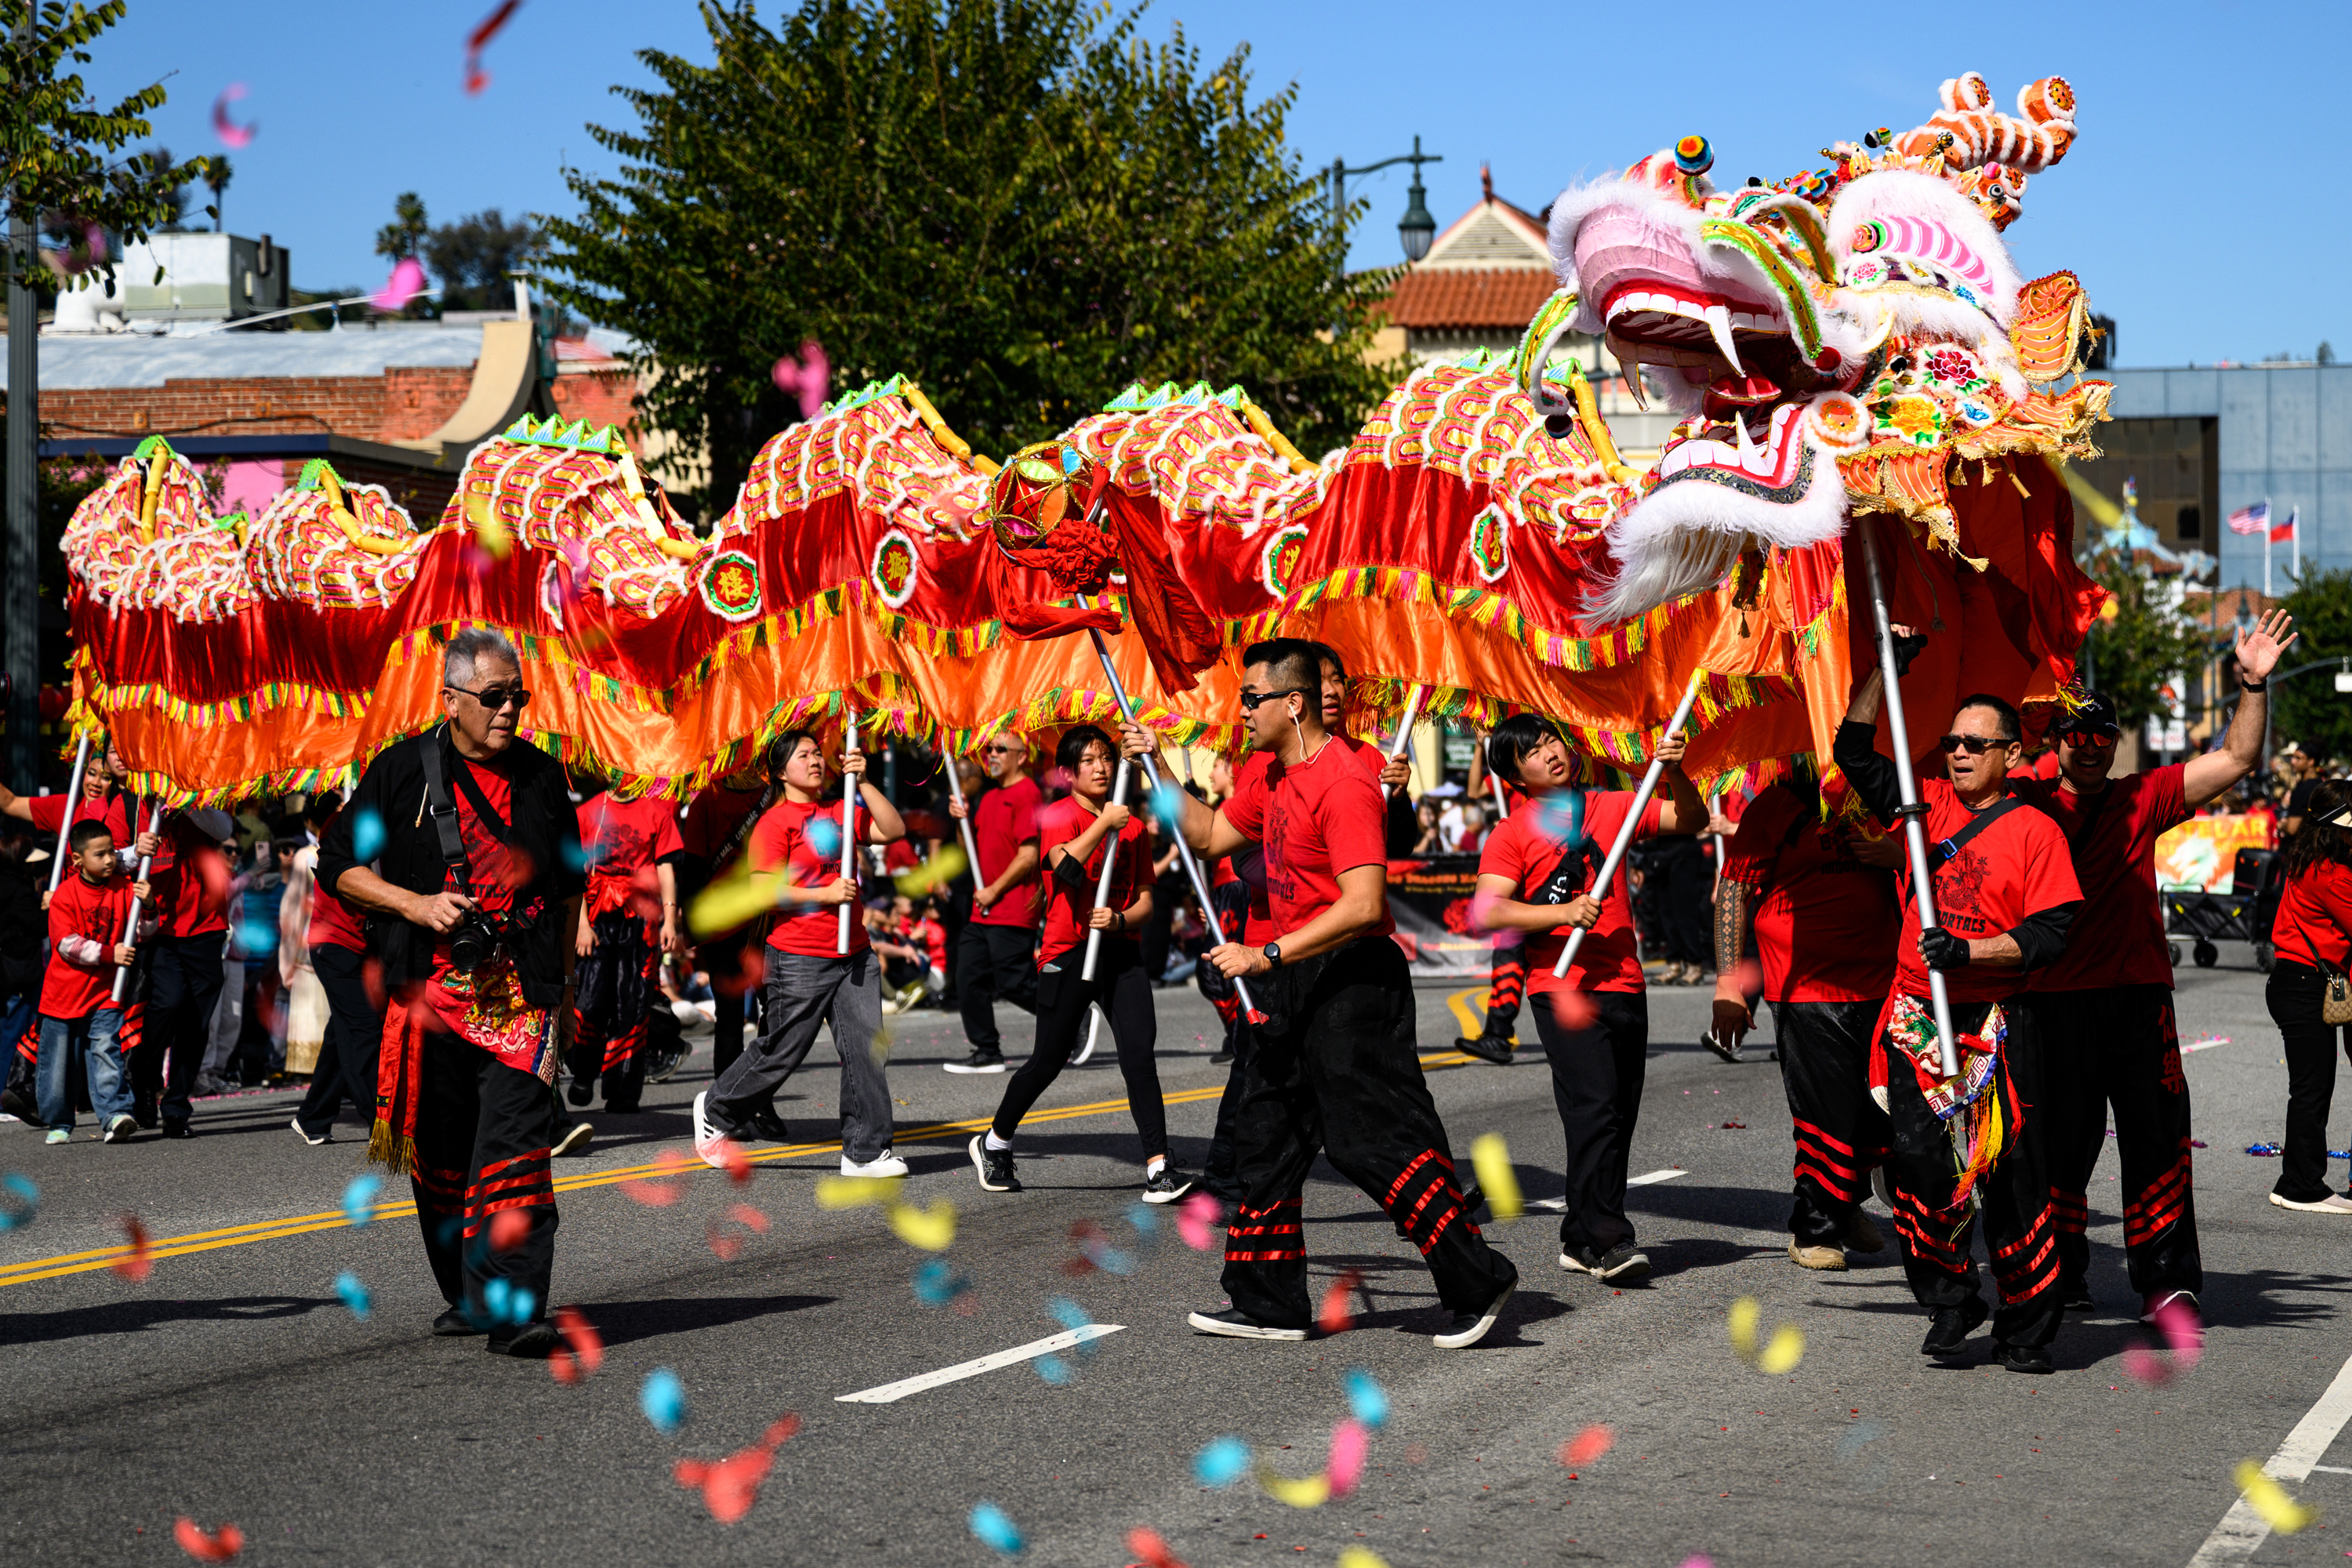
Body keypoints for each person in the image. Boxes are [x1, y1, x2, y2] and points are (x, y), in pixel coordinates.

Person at [1125, 638, 1519, 1348]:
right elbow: (1212, 834)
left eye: (1251, 700)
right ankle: (1270, 1302)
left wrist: (1265, 950)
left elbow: (1364, 905)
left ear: (1292, 703)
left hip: (1351, 977)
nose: (1240, 712)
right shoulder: (1268, 774)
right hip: (1290, 975)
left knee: (1369, 1141)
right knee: (1265, 1134)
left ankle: (1477, 1277)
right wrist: (1154, 763)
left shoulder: (1345, 780)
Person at [2013, 612, 2292, 1317]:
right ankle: (2060, 1274)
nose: (2087, 747)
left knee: (2156, 1141)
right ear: (2056, 743)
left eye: (2100, 736)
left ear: (2112, 745)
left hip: (2139, 1001)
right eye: (2074, 735)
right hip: (2053, 1001)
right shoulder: (2027, 804)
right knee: (2055, 1147)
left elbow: (2234, 760)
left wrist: (2254, 685)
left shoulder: (2144, 796)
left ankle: (2166, 1279)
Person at [318, 628, 586, 1358]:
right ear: (451, 699)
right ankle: (468, 1296)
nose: (509, 710)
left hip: (520, 999)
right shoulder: (401, 770)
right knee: (442, 1162)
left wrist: (560, 993)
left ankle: (516, 1305)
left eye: (517, 697)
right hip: (427, 999)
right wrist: (413, 904)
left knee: (513, 1154)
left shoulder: (543, 775)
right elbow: (337, 864)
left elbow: (567, 893)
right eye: (493, 697)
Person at [1835, 654, 2082, 1374]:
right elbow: (1854, 752)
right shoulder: (1922, 805)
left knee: (2012, 1175)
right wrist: (1885, 670)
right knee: (1920, 1168)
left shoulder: (2038, 832)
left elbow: (2050, 935)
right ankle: (1949, 1300)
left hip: (2001, 1024)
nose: (1961, 754)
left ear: (2012, 753)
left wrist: (1969, 955)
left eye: (1977, 744)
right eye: (1953, 743)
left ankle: (2027, 1324)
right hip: (1920, 1022)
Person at [1471, 713, 1705, 1282]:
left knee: (1616, 1116)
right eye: (1532, 751)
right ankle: (1607, 1240)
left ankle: (1580, 1235)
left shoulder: (1612, 805)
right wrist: (1562, 913)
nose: (1550, 751)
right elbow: (1488, 911)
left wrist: (1674, 772)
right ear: (1514, 774)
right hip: (1563, 986)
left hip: (1624, 979)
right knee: (1596, 1108)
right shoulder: (1513, 833)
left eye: (1552, 739)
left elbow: (1690, 818)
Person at [971, 726, 1192, 1202]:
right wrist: (1102, 826)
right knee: (1048, 1060)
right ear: (1070, 773)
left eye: (1106, 759)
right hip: (1067, 952)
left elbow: (1148, 902)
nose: (1100, 767)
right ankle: (994, 1142)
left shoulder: (1132, 826)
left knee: (1140, 1057)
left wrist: (1119, 919)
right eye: (1089, 761)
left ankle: (1158, 1167)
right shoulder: (1058, 816)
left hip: (1120, 951)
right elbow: (1066, 870)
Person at [691, 728, 909, 1174]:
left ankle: (866, 1151)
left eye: (817, 753)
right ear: (780, 770)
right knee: (782, 1049)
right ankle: (715, 1109)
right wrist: (825, 896)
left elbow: (894, 829)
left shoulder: (841, 808)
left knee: (867, 1049)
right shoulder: (775, 822)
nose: (815, 761)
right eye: (804, 755)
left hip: (854, 952)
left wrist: (865, 781)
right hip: (798, 955)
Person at [1710, 774, 1903, 1269]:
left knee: (1877, 1110)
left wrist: (1898, 852)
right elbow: (1733, 890)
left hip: (1886, 980)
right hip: (1807, 988)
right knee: (1826, 1111)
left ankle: (1846, 1202)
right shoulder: (1778, 804)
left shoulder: (1882, 793)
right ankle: (1814, 1228)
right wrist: (1729, 984)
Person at [2261, 778, 2352, 1214]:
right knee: (2312, 1089)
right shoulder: (2330, 876)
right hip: (2303, 985)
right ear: (2336, 827)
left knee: (2312, 1087)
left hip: (2295, 982)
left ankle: (2296, 1179)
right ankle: (2302, 1184)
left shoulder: (2308, 861)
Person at [568, 782, 684, 1115]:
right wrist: (582, 925)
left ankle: (622, 1091)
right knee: (589, 1003)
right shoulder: (588, 812)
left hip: (641, 921)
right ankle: (583, 1072)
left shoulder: (656, 811)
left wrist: (670, 921)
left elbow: (666, 869)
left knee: (632, 1006)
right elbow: (575, 874)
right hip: (596, 918)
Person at [34, 820, 148, 1144]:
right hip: (63, 994)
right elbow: (67, 944)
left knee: (105, 1051)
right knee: (57, 1063)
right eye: (100, 854)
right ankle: (59, 1121)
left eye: (112, 851)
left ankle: (115, 1115)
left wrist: (150, 906)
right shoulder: (65, 895)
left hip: (105, 992)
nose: (110, 859)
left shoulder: (124, 888)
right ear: (77, 860)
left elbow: (143, 932)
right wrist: (111, 953)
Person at [130, 804, 234, 1137]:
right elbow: (112, 856)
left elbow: (222, 829)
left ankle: (176, 1109)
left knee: (196, 1024)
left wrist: (185, 798)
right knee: (168, 1003)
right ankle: (144, 1080)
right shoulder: (138, 800)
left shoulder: (206, 790)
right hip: (160, 927)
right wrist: (134, 851)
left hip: (206, 925)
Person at [945, 734, 1042, 1073]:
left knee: (1014, 983)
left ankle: (1069, 1017)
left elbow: (1029, 855)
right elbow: (967, 847)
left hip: (1013, 906)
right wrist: (960, 820)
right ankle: (987, 1050)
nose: (992, 755)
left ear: (1021, 755)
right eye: (990, 749)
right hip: (983, 910)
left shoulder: (1027, 794)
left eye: (1001, 749)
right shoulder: (987, 798)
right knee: (967, 976)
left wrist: (994, 890)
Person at [292, 799, 382, 1145]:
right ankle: (381, 1123)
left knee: (342, 1034)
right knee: (364, 1031)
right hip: (335, 944)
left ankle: (313, 1117)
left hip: (364, 945)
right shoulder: (343, 823)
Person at [2281, 743, 2323, 837]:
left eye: (2298, 758)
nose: (2293, 762)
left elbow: (2292, 829)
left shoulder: (2304, 789)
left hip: (2302, 846)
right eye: (2293, 758)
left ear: (2311, 761)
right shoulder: (2320, 784)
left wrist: (2281, 825)